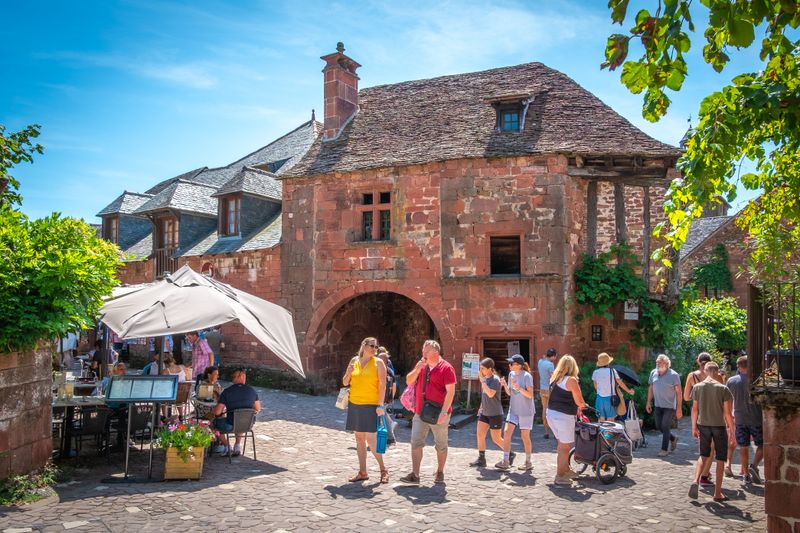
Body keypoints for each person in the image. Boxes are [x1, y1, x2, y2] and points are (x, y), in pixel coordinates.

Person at [400, 340, 456, 485]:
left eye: (426, 351)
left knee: (441, 444)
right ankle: (415, 474)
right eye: (423, 351)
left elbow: (451, 392)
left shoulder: (447, 368)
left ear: (435, 353)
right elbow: (408, 381)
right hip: (420, 411)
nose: (423, 354)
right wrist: (417, 370)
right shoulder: (421, 366)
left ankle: (440, 471)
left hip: (439, 413)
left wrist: (444, 412)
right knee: (416, 442)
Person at [342, 337, 389, 483]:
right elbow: (344, 382)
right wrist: (349, 372)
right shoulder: (353, 361)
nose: (375, 349)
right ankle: (363, 472)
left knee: (371, 440)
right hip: (355, 403)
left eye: (376, 347)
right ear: (364, 345)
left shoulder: (378, 363)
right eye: (372, 346)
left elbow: (383, 385)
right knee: (359, 438)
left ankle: (383, 469)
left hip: (371, 405)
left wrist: (380, 405)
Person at [689, 361, 735, 502]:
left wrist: (693, 427)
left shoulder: (697, 387)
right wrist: (732, 430)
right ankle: (717, 493)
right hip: (719, 426)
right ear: (716, 372)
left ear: (706, 371)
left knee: (703, 455)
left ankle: (696, 480)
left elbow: (694, 409)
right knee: (720, 459)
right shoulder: (723, 389)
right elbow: (727, 413)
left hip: (703, 425)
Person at [546, 355, 588, 486]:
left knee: (561, 445)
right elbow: (579, 401)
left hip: (551, 414)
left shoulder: (555, 378)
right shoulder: (571, 380)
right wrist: (584, 405)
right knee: (565, 447)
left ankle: (566, 470)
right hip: (563, 416)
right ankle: (560, 475)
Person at [726, 356, 764, 484]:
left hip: (739, 418)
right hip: (756, 418)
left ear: (738, 366)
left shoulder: (731, 381)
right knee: (763, 445)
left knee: (743, 447)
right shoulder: (757, 381)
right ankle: (753, 465)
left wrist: (729, 418)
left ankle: (746, 475)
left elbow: (728, 403)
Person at [496, 354, 535, 471]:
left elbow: (530, 394)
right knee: (507, 432)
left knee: (525, 437)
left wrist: (519, 388)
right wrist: (504, 385)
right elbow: (510, 393)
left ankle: (528, 462)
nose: (509, 365)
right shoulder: (511, 374)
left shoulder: (527, 376)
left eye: (511, 363)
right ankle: (506, 461)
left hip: (526, 411)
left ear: (519, 365)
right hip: (513, 410)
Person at [684, 352, 717, 487]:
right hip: (716, 414)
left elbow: (686, 397)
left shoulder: (692, 376)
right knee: (712, 448)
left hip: (701, 415)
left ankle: (703, 474)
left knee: (704, 448)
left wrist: (696, 393)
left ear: (698, 361)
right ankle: (704, 475)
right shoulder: (718, 375)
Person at [211, 368, 261, 456]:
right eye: (244, 376)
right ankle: (237, 445)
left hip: (230, 425)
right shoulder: (251, 390)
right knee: (242, 418)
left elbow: (217, 412)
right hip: (248, 425)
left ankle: (227, 446)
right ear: (241, 376)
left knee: (213, 424)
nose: (245, 378)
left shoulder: (227, 392)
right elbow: (258, 409)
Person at [469, 358, 505, 468]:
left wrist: (483, 382)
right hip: (484, 413)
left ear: (490, 369)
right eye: (480, 368)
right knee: (480, 435)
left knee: (496, 439)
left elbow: (490, 394)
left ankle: (510, 453)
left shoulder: (495, 380)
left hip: (495, 413)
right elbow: (484, 396)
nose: (480, 370)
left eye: (483, 368)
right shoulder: (484, 379)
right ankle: (481, 459)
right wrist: (481, 407)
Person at [646, 354, 683, 457]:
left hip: (669, 406)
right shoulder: (653, 372)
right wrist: (648, 402)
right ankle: (673, 438)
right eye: (657, 362)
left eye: (660, 362)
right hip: (658, 405)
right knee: (659, 426)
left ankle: (664, 449)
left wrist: (679, 408)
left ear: (666, 364)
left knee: (665, 426)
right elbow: (650, 388)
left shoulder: (674, 375)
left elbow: (679, 392)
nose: (657, 364)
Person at [591, 352, 634, 422]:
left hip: (599, 399)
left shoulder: (595, 372)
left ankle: (601, 432)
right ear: (608, 363)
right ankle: (608, 433)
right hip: (610, 399)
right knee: (610, 420)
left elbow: (596, 386)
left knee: (601, 419)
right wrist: (628, 390)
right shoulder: (612, 371)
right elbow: (620, 382)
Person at [377, 346, 398, 445]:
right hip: (386, 398)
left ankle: (390, 438)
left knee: (383, 416)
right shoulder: (390, 371)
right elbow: (394, 385)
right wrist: (391, 398)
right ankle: (389, 437)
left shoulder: (380, 370)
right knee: (383, 416)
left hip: (381, 398)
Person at [537, 348, 557, 439]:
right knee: (552, 410)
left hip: (542, 388)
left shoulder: (540, 362)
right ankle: (554, 430)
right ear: (552, 356)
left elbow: (542, 358)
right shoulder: (550, 365)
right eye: (555, 356)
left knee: (544, 409)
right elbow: (552, 377)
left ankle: (546, 431)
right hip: (549, 389)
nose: (556, 358)